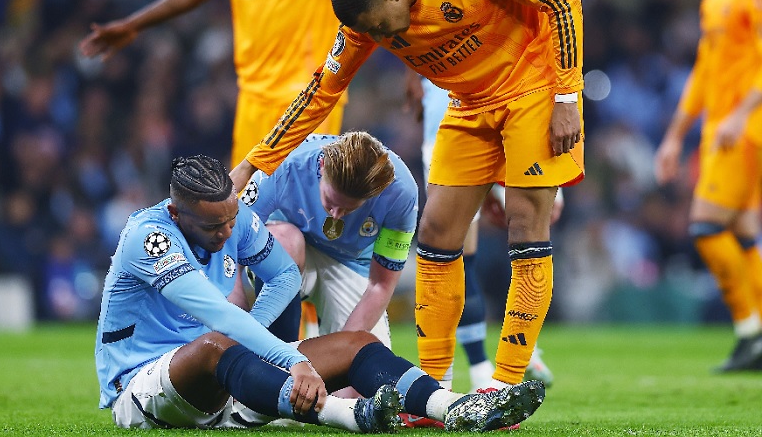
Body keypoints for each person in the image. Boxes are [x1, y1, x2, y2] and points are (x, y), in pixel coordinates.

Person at [231, 0, 584, 394]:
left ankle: (504, 384)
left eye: (379, 27)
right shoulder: (366, 21)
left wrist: (566, 96)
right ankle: (436, 387)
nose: (377, 38)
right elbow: (320, 92)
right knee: (436, 233)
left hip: (533, 89)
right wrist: (250, 165)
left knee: (525, 224)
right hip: (469, 103)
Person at [95, 154, 546, 430]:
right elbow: (219, 315)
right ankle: (350, 417)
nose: (227, 233)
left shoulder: (233, 220)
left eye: (231, 219)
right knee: (216, 342)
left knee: (356, 343)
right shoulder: (149, 238)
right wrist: (290, 358)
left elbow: (285, 277)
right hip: (146, 389)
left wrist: (256, 335)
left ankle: (455, 408)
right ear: (177, 214)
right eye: (214, 226)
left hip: (231, 380)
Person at [79, 0, 390, 167]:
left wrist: (406, 55)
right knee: (245, 211)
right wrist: (134, 24)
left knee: (298, 207)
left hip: (310, 92)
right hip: (252, 99)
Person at [405, 73, 559, 393]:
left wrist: (413, 79)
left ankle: (491, 368)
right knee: (466, 252)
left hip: (484, 113)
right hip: (494, 112)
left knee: (464, 254)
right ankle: (497, 364)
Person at [654, 0, 762, 372]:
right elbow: (703, 72)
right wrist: (674, 136)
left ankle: (750, 330)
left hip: (744, 130)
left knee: (706, 225)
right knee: (743, 233)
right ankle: (755, 332)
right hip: (722, 129)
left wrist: (742, 113)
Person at [238, 132, 417, 349]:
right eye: (331, 202)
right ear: (322, 166)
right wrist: (236, 324)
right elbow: (233, 245)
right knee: (284, 240)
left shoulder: (401, 195)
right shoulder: (285, 163)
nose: (336, 216)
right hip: (289, 249)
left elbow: (381, 284)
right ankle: (276, 355)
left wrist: (342, 351)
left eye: (349, 209)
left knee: (362, 362)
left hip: (352, 265)